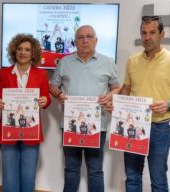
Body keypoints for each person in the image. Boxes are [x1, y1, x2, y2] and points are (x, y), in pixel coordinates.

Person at [116, 16, 170, 192]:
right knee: (132, 178)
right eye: (144, 33)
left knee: (158, 180)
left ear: (162, 34)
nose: (147, 37)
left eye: (152, 33)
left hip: (160, 128)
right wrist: (118, 102)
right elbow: (126, 89)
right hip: (132, 126)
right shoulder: (132, 60)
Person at [50, 25, 120, 192]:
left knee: (95, 170)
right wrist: (59, 94)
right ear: (75, 42)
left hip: (98, 125)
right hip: (71, 125)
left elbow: (117, 87)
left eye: (89, 36)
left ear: (96, 40)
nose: (85, 40)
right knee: (71, 169)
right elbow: (53, 86)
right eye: (80, 37)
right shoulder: (65, 62)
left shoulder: (108, 62)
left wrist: (110, 96)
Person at [0, 33, 51, 192]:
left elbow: (46, 98)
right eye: (19, 49)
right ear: (14, 51)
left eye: (27, 49)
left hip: (31, 131)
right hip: (8, 130)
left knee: (28, 174)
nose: (23, 52)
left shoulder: (41, 74)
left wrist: (45, 101)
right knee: (9, 176)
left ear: (33, 54)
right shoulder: (4, 72)